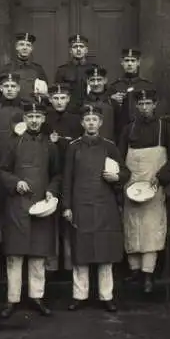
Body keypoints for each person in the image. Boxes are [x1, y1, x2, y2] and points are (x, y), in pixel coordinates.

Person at [62, 105, 130, 312]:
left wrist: (117, 177)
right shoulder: (73, 147)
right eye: (87, 119)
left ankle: (106, 295)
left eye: (95, 119)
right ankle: (79, 295)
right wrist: (66, 206)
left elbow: (126, 172)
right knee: (81, 251)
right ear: (82, 123)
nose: (91, 123)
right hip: (80, 204)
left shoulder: (110, 146)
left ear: (100, 123)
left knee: (104, 251)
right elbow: (67, 179)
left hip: (104, 205)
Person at [0, 101, 61, 319]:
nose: (34, 121)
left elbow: (56, 174)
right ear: (24, 119)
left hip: (41, 205)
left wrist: (52, 191)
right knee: (15, 255)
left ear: (43, 119)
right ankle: (12, 299)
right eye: (30, 117)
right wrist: (15, 182)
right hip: (17, 205)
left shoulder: (50, 145)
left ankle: (37, 296)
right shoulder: (12, 143)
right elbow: (2, 171)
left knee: (37, 255)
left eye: (38, 117)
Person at [118, 89, 170, 293]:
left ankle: (148, 274)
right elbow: (119, 159)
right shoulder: (128, 130)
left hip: (154, 186)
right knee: (131, 227)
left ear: (155, 105)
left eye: (148, 103)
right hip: (132, 186)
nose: (145, 107)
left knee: (150, 229)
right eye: (141, 104)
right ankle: (134, 270)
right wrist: (124, 179)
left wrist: (161, 177)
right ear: (136, 106)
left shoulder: (166, 129)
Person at [43, 83, 83, 271]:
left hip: (71, 172)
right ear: (50, 100)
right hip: (49, 172)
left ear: (68, 99)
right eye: (55, 98)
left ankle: (69, 263)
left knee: (69, 217)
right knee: (49, 218)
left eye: (63, 98)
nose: (59, 102)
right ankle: (51, 264)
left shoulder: (76, 121)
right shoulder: (44, 119)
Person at [109, 48, 154, 143]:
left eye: (133, 61)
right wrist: (111, 100)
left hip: (143, 129)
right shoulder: (114, 86)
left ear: (138, 63)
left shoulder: (147, 85)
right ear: (122, 63)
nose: (129, 64)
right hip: (120, 131)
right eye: (126, 60)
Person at [0, 33, 48, 102]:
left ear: (32, 48)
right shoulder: (7, 68)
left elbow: (44, 92)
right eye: (21, 44)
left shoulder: (38, 69)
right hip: (14, 107)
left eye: (28, 45)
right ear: (16, 47)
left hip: (32, 109)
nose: (25, 48)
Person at [55, 34, 97, 113]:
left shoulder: (94, 69)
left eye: (81, 46)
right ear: (70, 51)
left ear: (86, 50)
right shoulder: (62, 70)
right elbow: (58, 93)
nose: (78, 49)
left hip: (89, 110)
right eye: (75, 47)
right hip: (69, 111)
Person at [84, 65, 115, 142]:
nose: (96, 83)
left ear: (105, 81)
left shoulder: (112, 102)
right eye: (92, 80)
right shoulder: (82, 102)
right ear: (87, 81)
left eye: (99, 79)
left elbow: (119, 127)